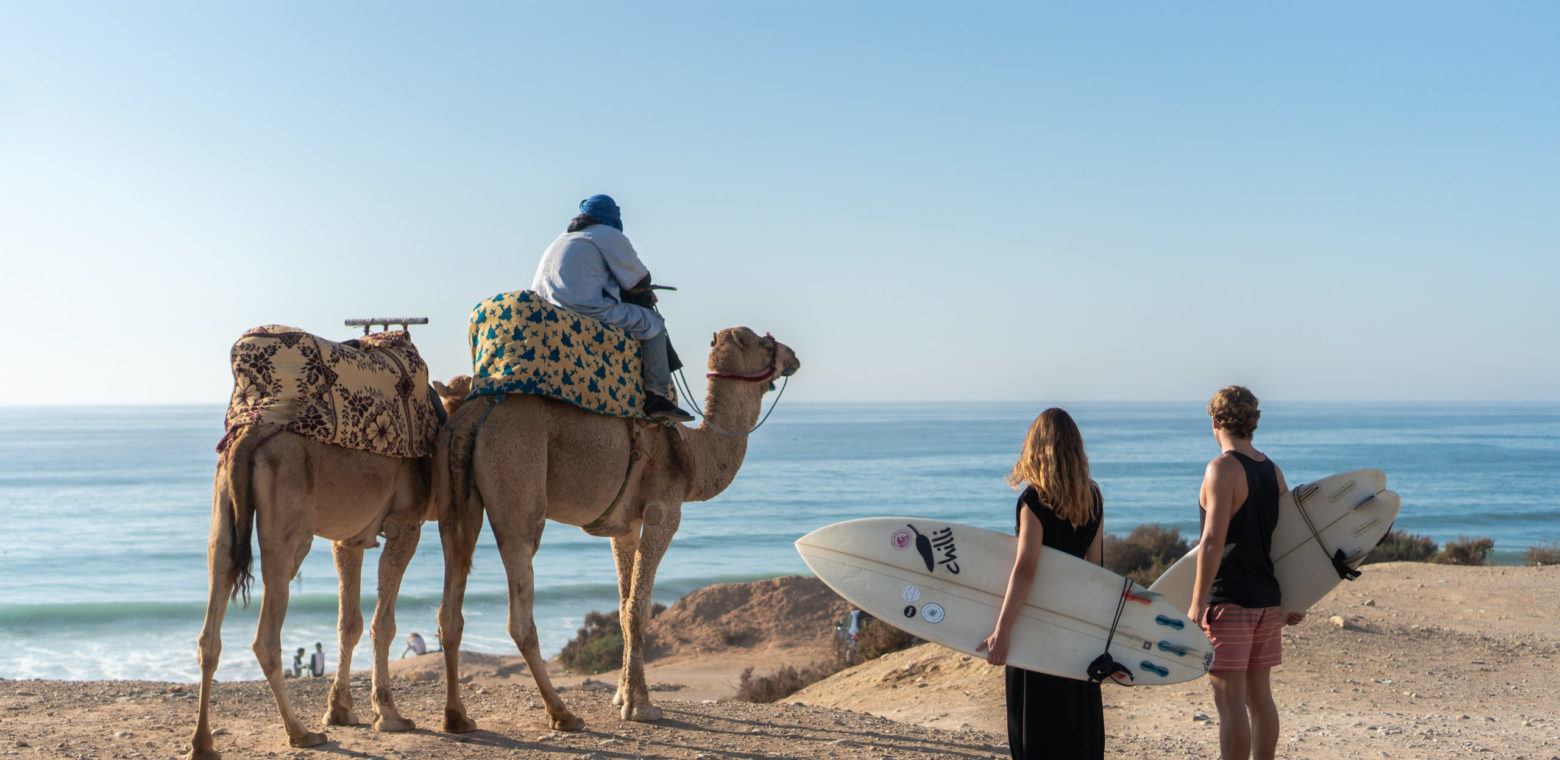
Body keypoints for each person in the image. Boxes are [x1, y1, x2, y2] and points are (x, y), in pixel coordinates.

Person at [976, 408, 1105, 759]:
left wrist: (1002, 629)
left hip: (1037, 631)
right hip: (1076, 630)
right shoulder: (1092, 497)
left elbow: (1026, 569)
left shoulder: (1035, 499)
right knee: (1078, 731)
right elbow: (1095, 571)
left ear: (1036, 448)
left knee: (1036, 731)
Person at [1188, 386, 1305, 760]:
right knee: (1261, 699)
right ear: (1252, 422)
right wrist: (1294, 597)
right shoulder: (1273, 471)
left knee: (1230, 703)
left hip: (1229, 601)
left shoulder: (1221, 469)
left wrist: (1196, 604)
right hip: (1266, 601)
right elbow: (1287, 544)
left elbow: (1211, 544)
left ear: (1215, 421)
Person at [531, 194, 693, 422]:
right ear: (612, 216)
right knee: (653, 323)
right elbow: (639, 280)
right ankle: (657, 396)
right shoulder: (608, 234)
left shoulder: (561, 239)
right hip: (587, 311)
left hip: (551, 314)